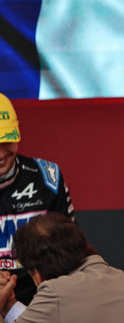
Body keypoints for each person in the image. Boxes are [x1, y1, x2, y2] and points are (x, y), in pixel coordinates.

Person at [0, 93, 76, 306]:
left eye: (6, 140)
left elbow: (70, 248)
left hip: (45, 305)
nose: (0, 153)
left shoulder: (47, 176)